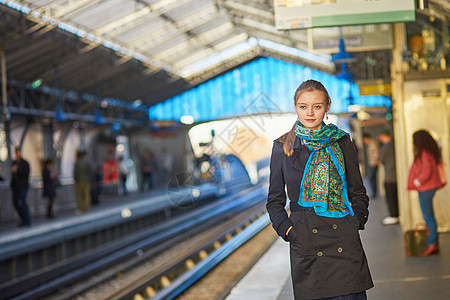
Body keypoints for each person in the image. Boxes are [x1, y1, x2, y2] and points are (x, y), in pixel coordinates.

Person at [266, 79, 373, 300]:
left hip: (344, 241)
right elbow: (274, 201)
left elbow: (358, 192)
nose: (310, 113)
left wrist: (355, 222)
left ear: (327, 106)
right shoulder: (282, 146)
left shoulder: (342, 141)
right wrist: (290, 232)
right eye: (303, 107)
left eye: (317, 106)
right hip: (306, 243)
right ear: (295, 107)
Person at [407, 130, 444, 256]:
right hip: (428, 188)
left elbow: (427, 170)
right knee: (429, 216)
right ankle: (433, 243)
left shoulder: (424, 153)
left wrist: (418, 181)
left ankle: (432, 244)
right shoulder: (428, 151)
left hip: (426, 188)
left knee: (428, 217)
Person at [378, 130, 399, 225]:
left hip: (390, 175)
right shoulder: (396, 144)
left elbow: (380, 160)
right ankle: (397, 214)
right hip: (397, 175)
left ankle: (393, 215)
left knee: (390, 196)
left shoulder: (386, 147)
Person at [11, 148, 31, 227]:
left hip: (23, 186)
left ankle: (27, 220)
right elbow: (12, 175)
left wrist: (17, 171)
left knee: (22, 202)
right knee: (15, 203)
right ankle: (23, 219)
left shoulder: (25, 163)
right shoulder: (14, 163)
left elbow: (26, 173)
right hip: (15, 186)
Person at [363, 133, 379, 198]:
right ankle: (374, 192)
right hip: (372, 162)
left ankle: (374, 193)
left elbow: (375, 153)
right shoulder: (371, 143)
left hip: (373, 163)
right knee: (372, 178)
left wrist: (375, 161)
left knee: (372, 178)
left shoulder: (372, 144)